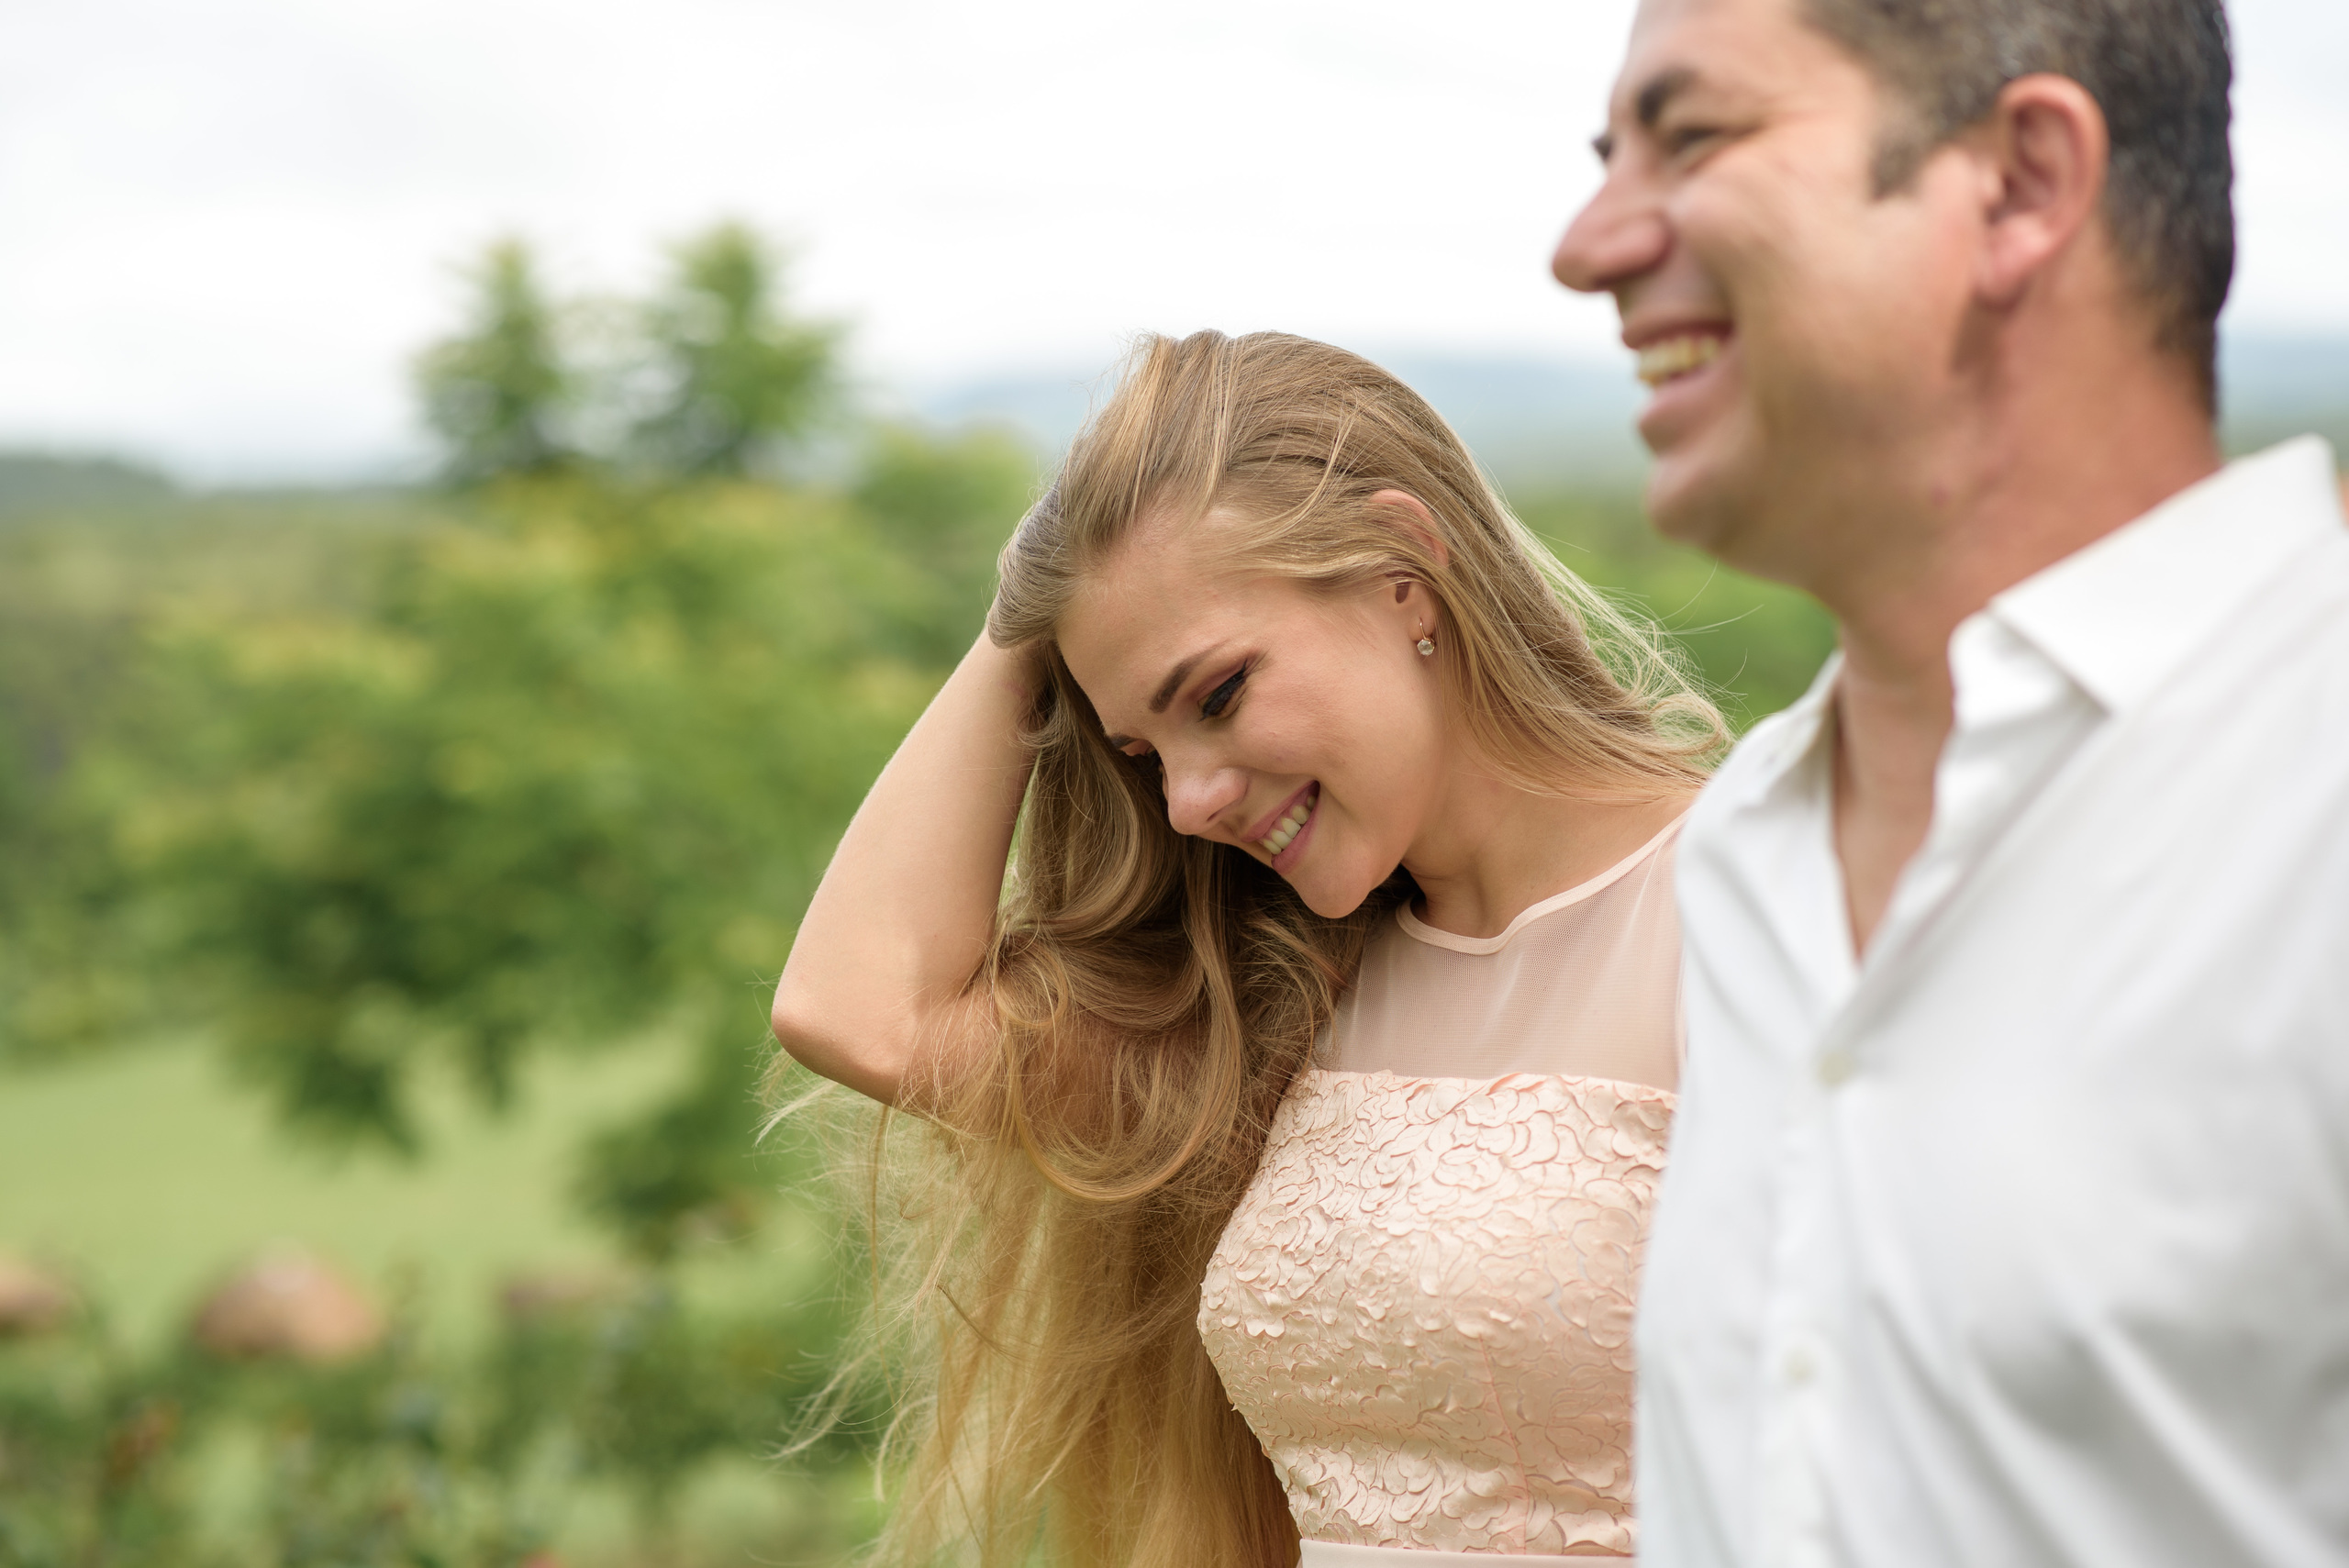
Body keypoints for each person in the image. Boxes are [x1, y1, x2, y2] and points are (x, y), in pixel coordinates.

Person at [1552, 1, 2349, 1565]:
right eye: (1607, 157)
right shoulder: (1744, 843)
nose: (1586, 245)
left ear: (2023, 183)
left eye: (1692, 135)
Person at [771, 329, 1724, 1565]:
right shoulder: (1274, 1000)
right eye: (1145, 751)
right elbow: (862, 1009)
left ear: (1405, 569)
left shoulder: (1758, 909)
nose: (1186, 802)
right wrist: (1026, 605)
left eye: (1216, 695)